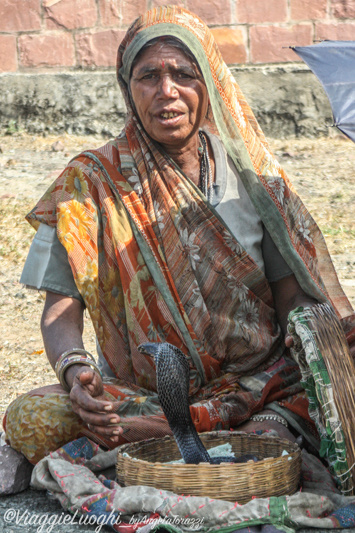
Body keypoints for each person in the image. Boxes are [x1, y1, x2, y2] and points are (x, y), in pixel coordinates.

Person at [3, 5, 354, 467]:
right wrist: (74, 369)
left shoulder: (254, 180)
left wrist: (321, 340)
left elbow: (291, 296)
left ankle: (221, 437)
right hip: (146, 397)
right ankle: (237, 442)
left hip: (262, 383)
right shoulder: (89, 184)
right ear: (128, 89)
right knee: (31, 416)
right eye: (148, 76)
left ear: (208, 81)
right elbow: (60, 309)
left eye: (183, 74)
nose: (166, 92)